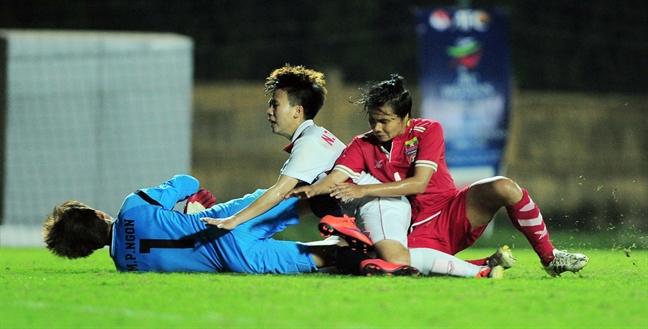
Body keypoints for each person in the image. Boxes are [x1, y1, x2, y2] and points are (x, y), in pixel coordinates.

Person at [287, 74, 588, 277]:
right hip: (416, 230)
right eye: (372, 120)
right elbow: (336, 176)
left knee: (506, 188)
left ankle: (550, 258)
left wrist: (364, 190)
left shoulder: (428, 130)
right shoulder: (361, 144)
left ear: (405, 118)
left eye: (385, 121)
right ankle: (484, 266)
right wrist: (311, 190)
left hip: (453, 211)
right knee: (395, 260)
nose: (377, 127)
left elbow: (420, 183)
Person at [43, 174, 342, 274]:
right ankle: (372, 205)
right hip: (228, 219)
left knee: (324, 257)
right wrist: (186, 207)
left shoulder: (126, 265)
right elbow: (189, 182)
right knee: (307, 197)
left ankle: (371, 254)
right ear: (98, 215)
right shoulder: (132, 207)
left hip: (237, 260)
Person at [201, 64, 346, 230]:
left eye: (275, 105)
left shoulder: (308, 143)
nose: (269, 111)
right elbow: (301, 202)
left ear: (297, 111)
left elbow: (280, 192)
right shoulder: (318, 135)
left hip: (366, 223)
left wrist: (233, 220)